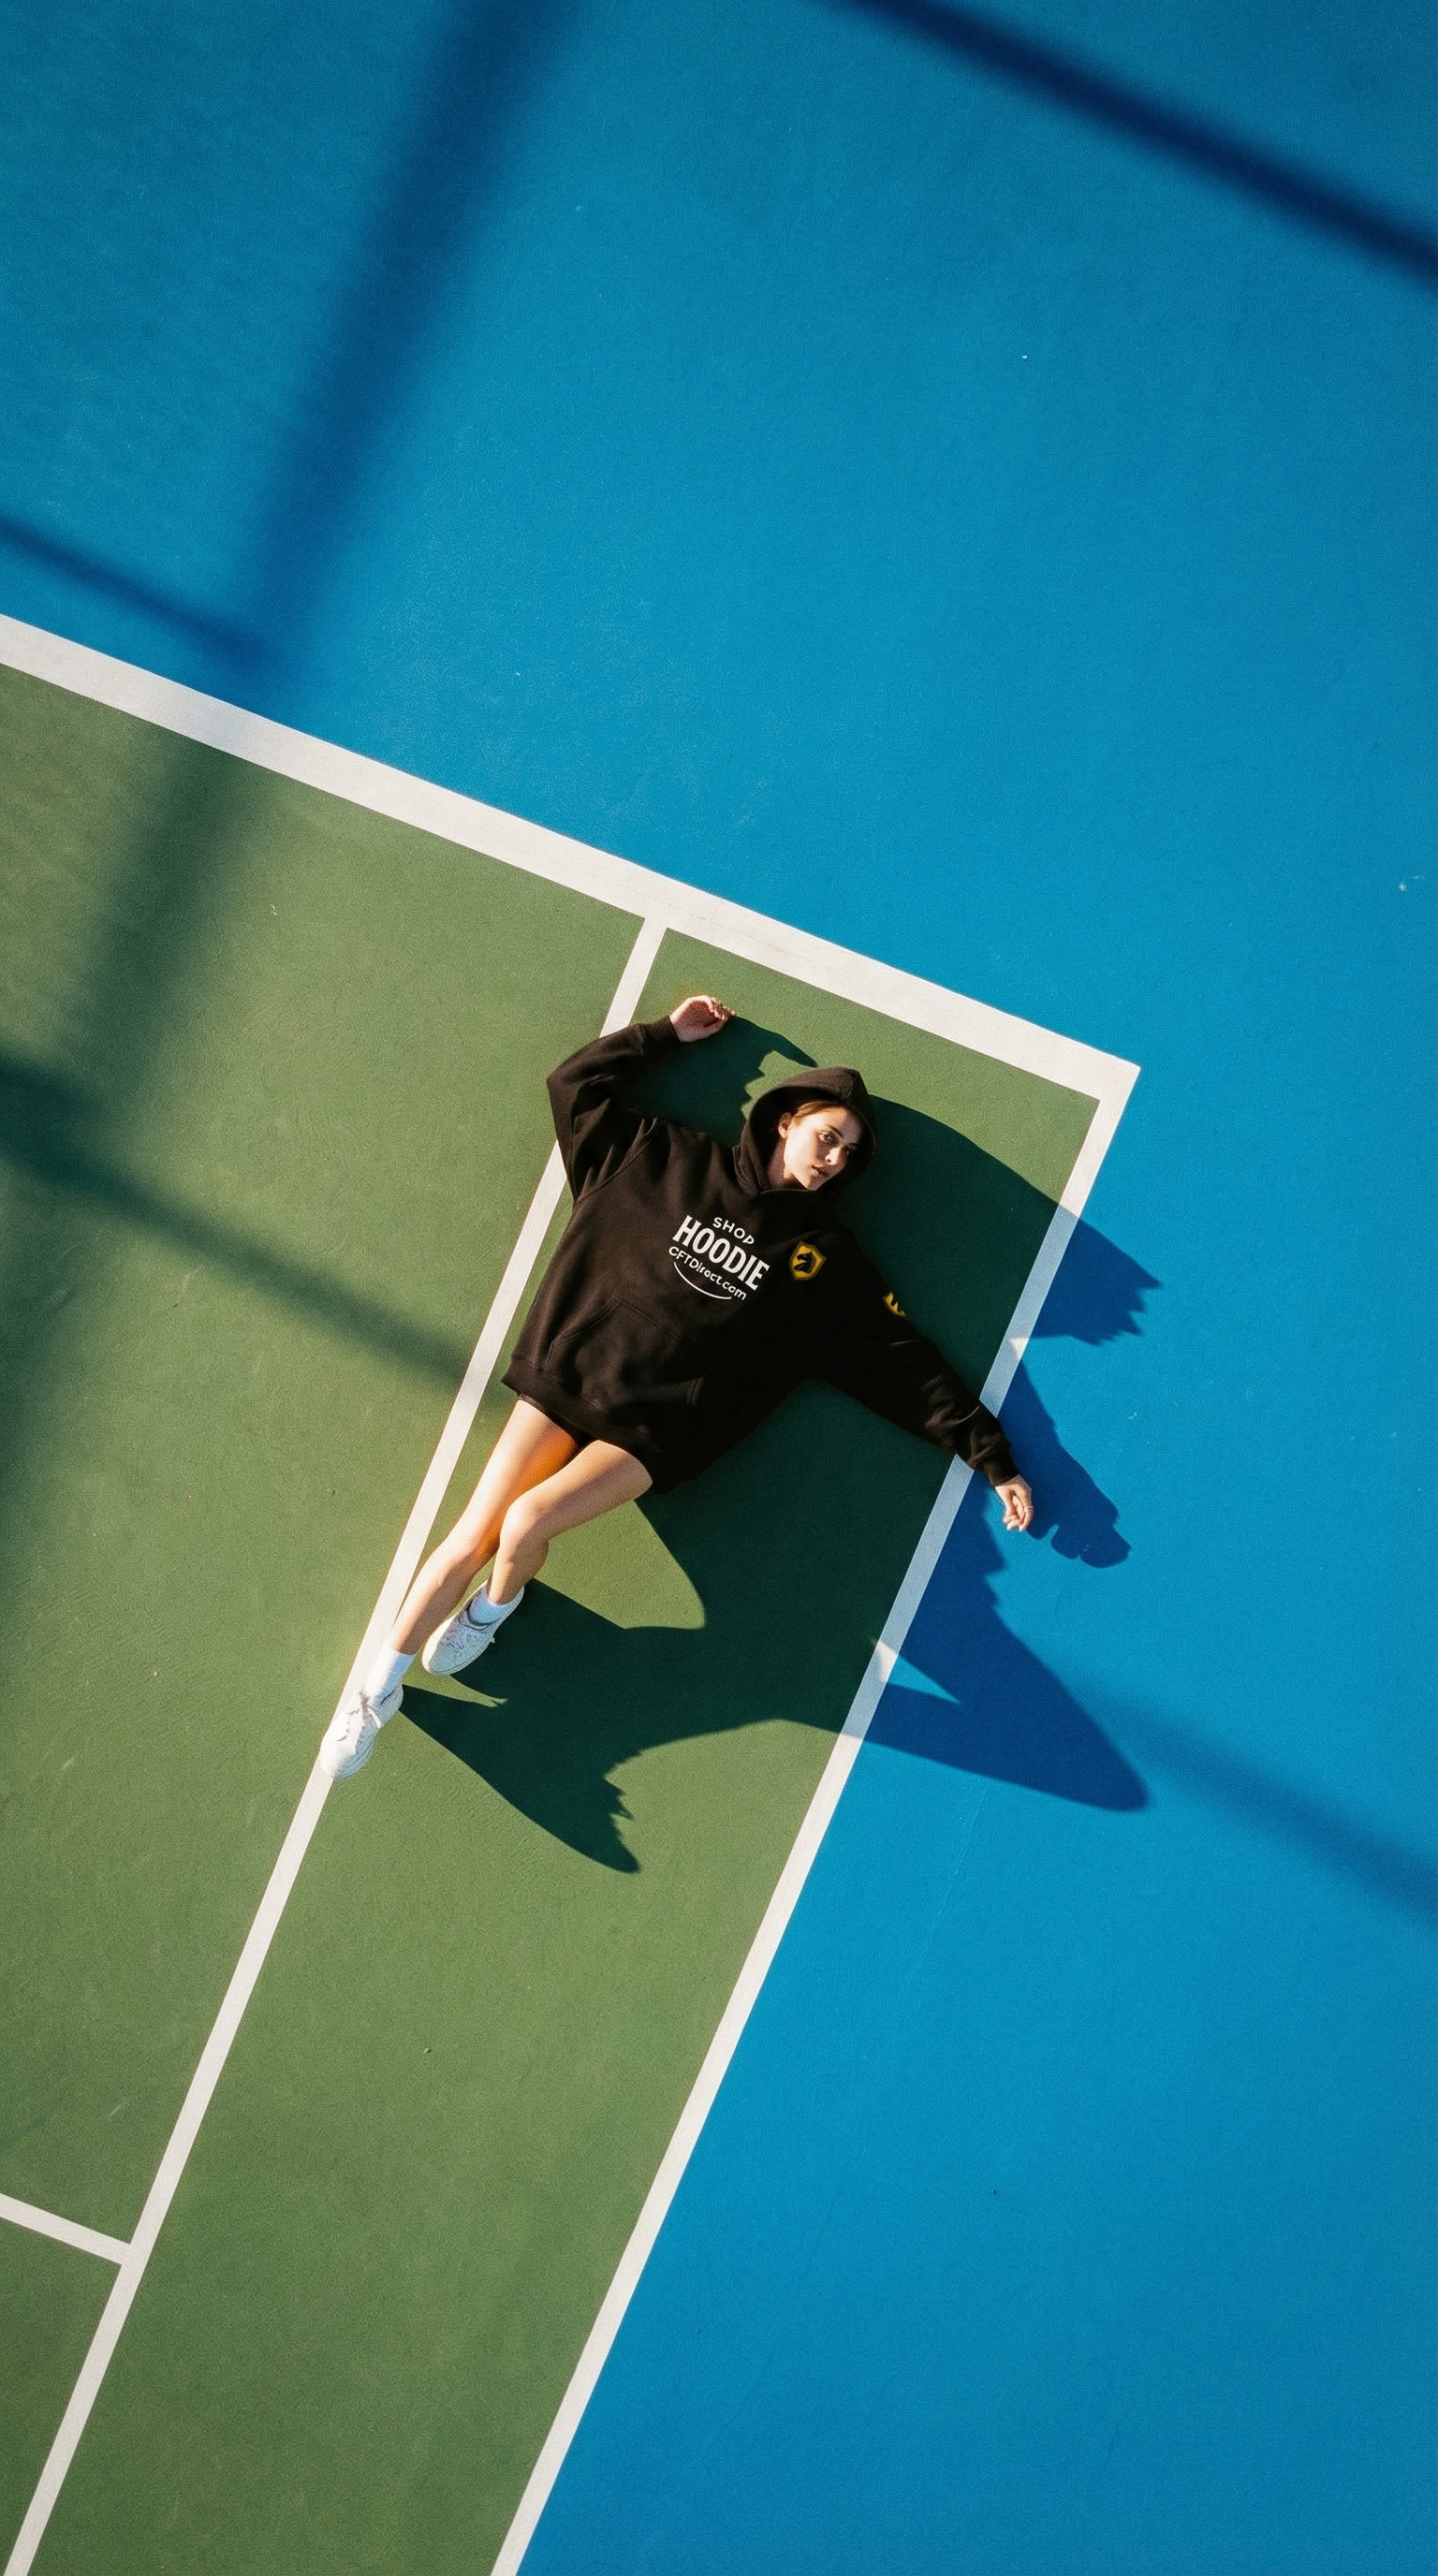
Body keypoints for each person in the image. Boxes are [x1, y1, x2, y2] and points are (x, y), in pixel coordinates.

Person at [320, 995, 1034, 1779]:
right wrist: (663, 1035)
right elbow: (573, 1088)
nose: (832, 1159)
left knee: (526, 1524)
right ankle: (374, 1692)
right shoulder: (655, 1154)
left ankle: (494, 1609)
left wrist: (989, 1454)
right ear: (787, 1119)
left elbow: (898, 1359)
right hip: (570, 1380)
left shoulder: (822, 1259)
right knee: (471, 1533)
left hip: (653, 1433)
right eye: (827, 1137)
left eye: (848, 1154)